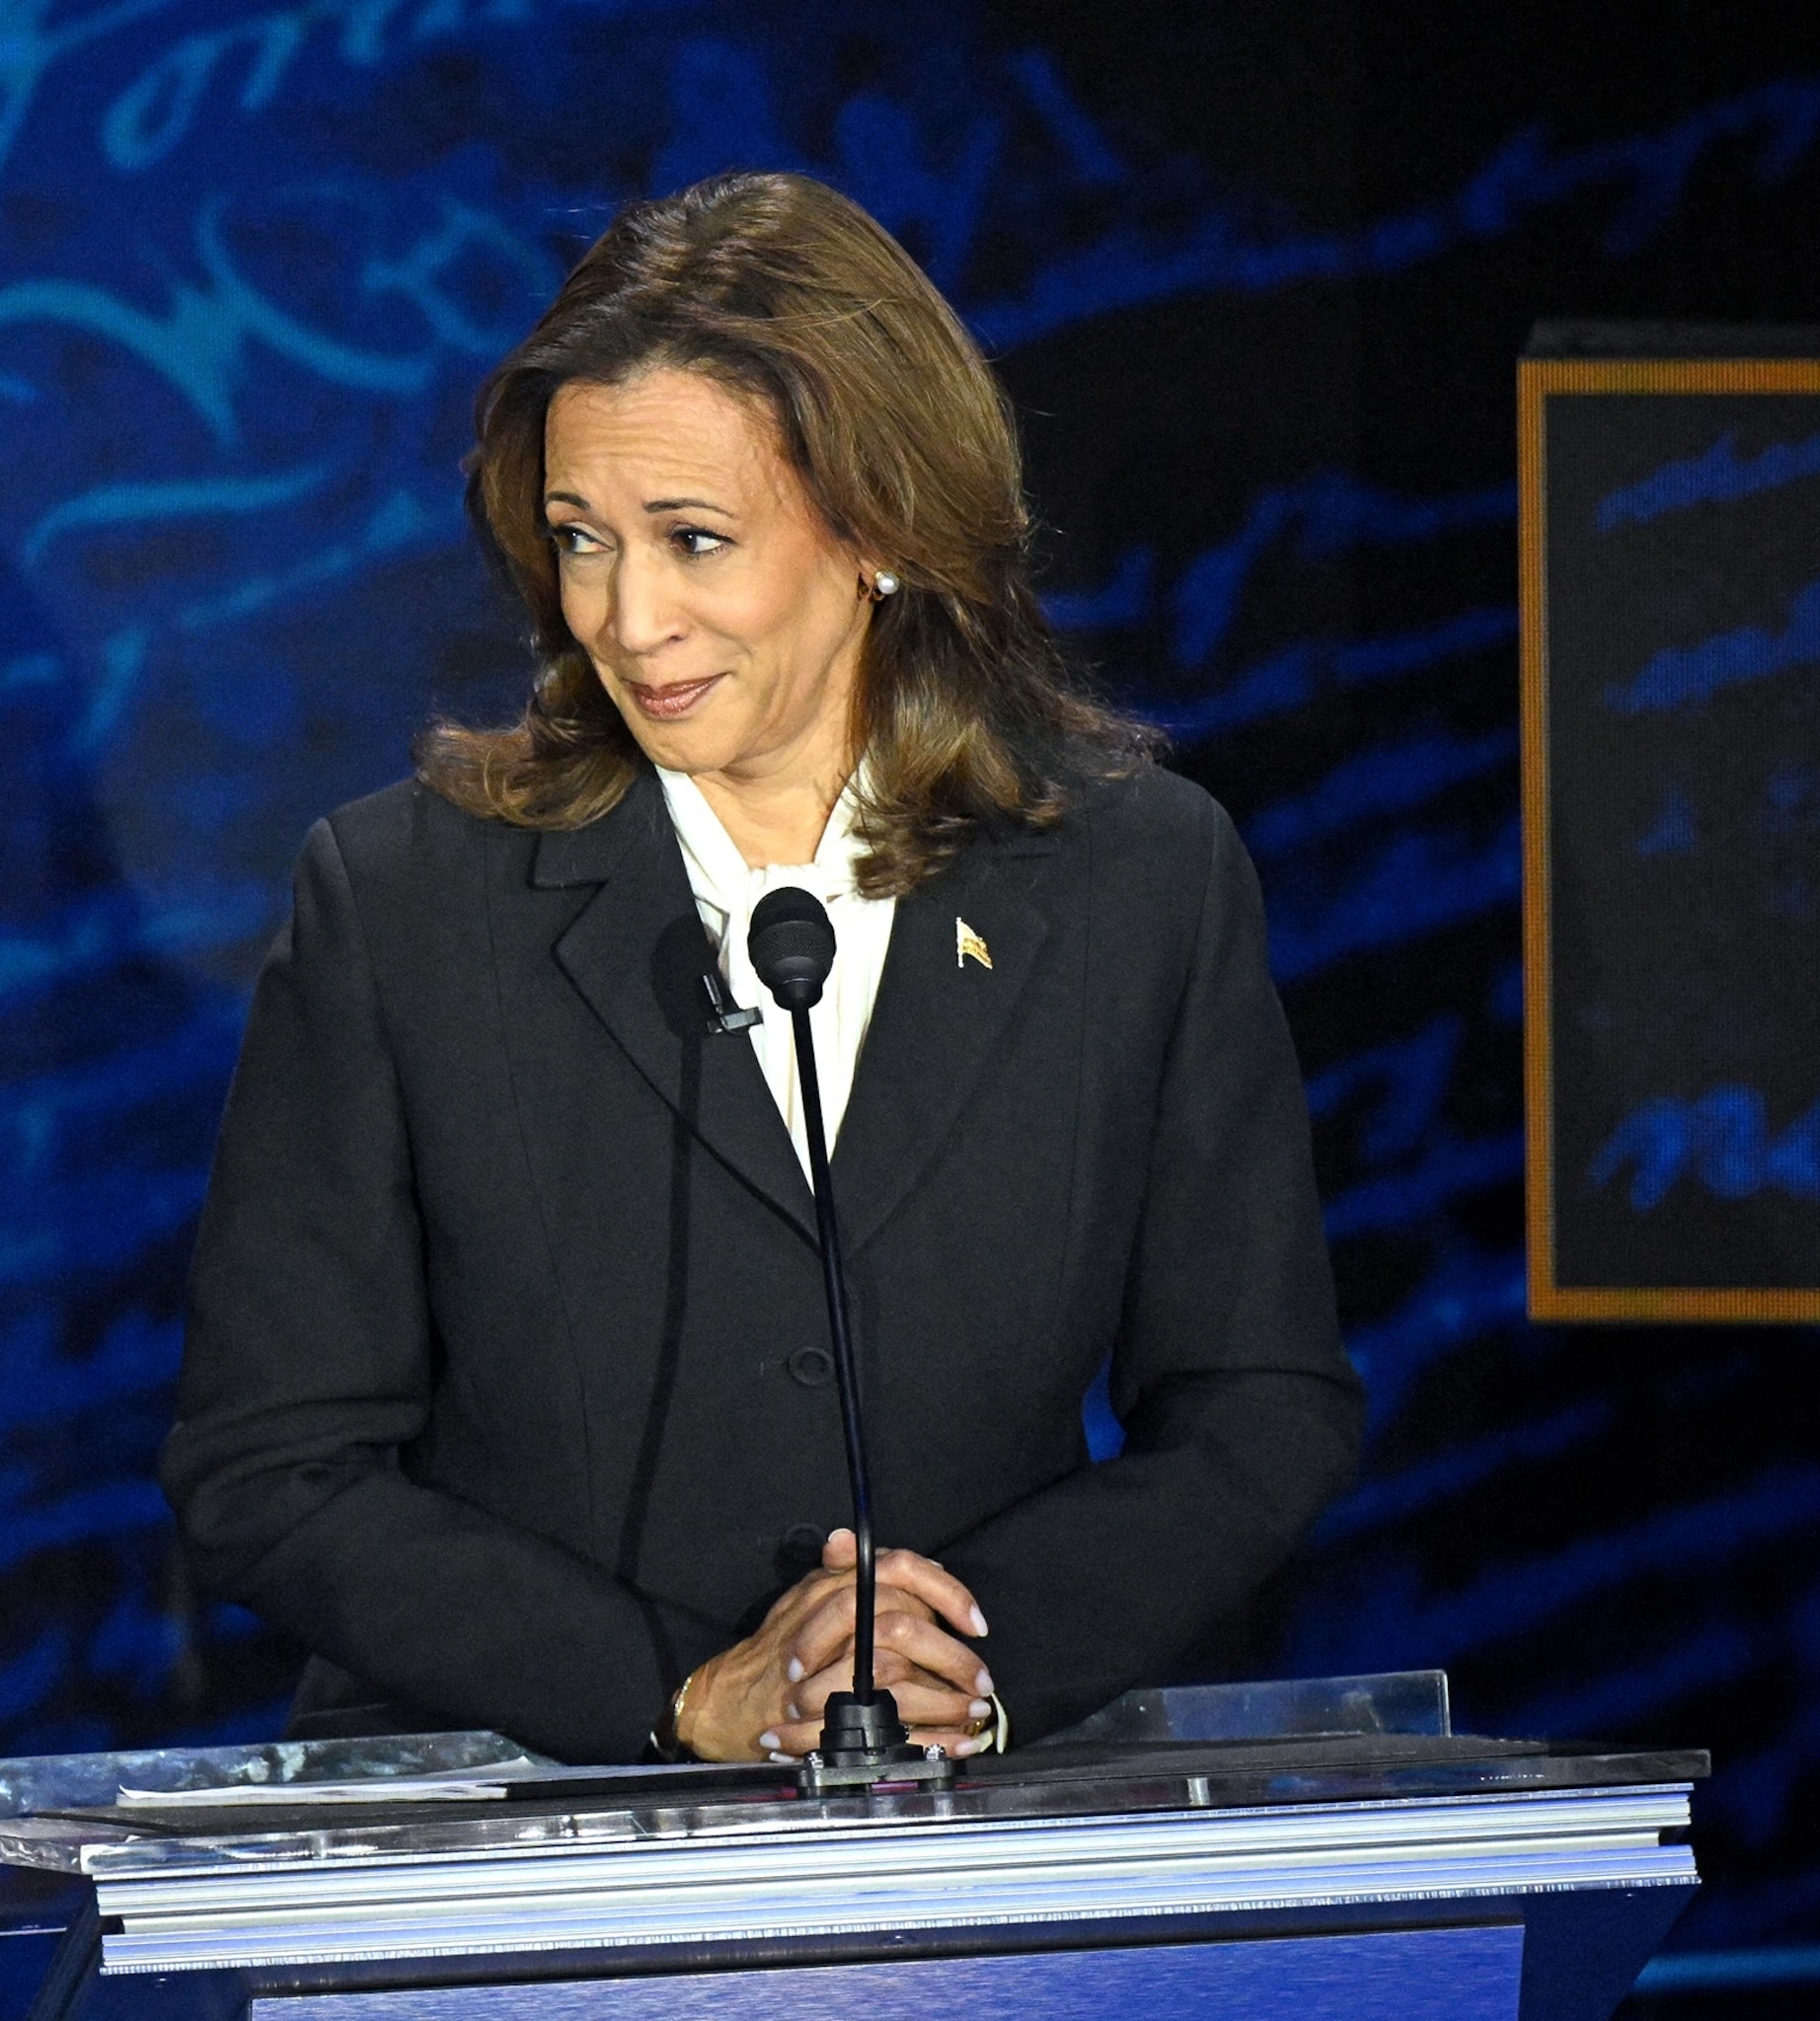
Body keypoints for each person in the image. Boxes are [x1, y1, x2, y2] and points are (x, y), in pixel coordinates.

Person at [160, 172, 1362, 1766]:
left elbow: (1258, 1406)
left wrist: (969, 1659)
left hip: (968, 1864)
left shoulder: (1140, 878)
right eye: (581, 539)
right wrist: (683, 1694)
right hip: (521, 1844)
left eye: (694, 540)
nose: (625, 617)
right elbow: (271, 1468)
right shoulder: (405, 900)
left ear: (878, 529)